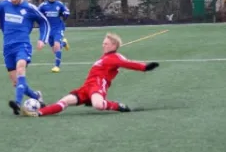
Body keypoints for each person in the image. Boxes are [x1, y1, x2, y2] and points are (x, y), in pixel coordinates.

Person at [21, 33, 160, 117]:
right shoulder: (104, 57)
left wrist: (145, 67)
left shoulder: (115, 57)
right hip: (86, 87)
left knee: (98, 105)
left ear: (113, 45)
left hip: (98, 86)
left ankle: (118, 106)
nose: (103, 45)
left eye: (105, 43)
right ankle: (39, 113)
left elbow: (128, 63)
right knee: (64, 101)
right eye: (103, 43)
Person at [38, 0, 70, 73]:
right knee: (55, 50)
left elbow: (66, 12)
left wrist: (66, 14)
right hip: (48, 30)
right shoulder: (43, 6)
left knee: (56, 45)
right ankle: (64, 43)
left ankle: (57, 66)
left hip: (58, 28)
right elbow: (37, 14)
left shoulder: (59, 4)